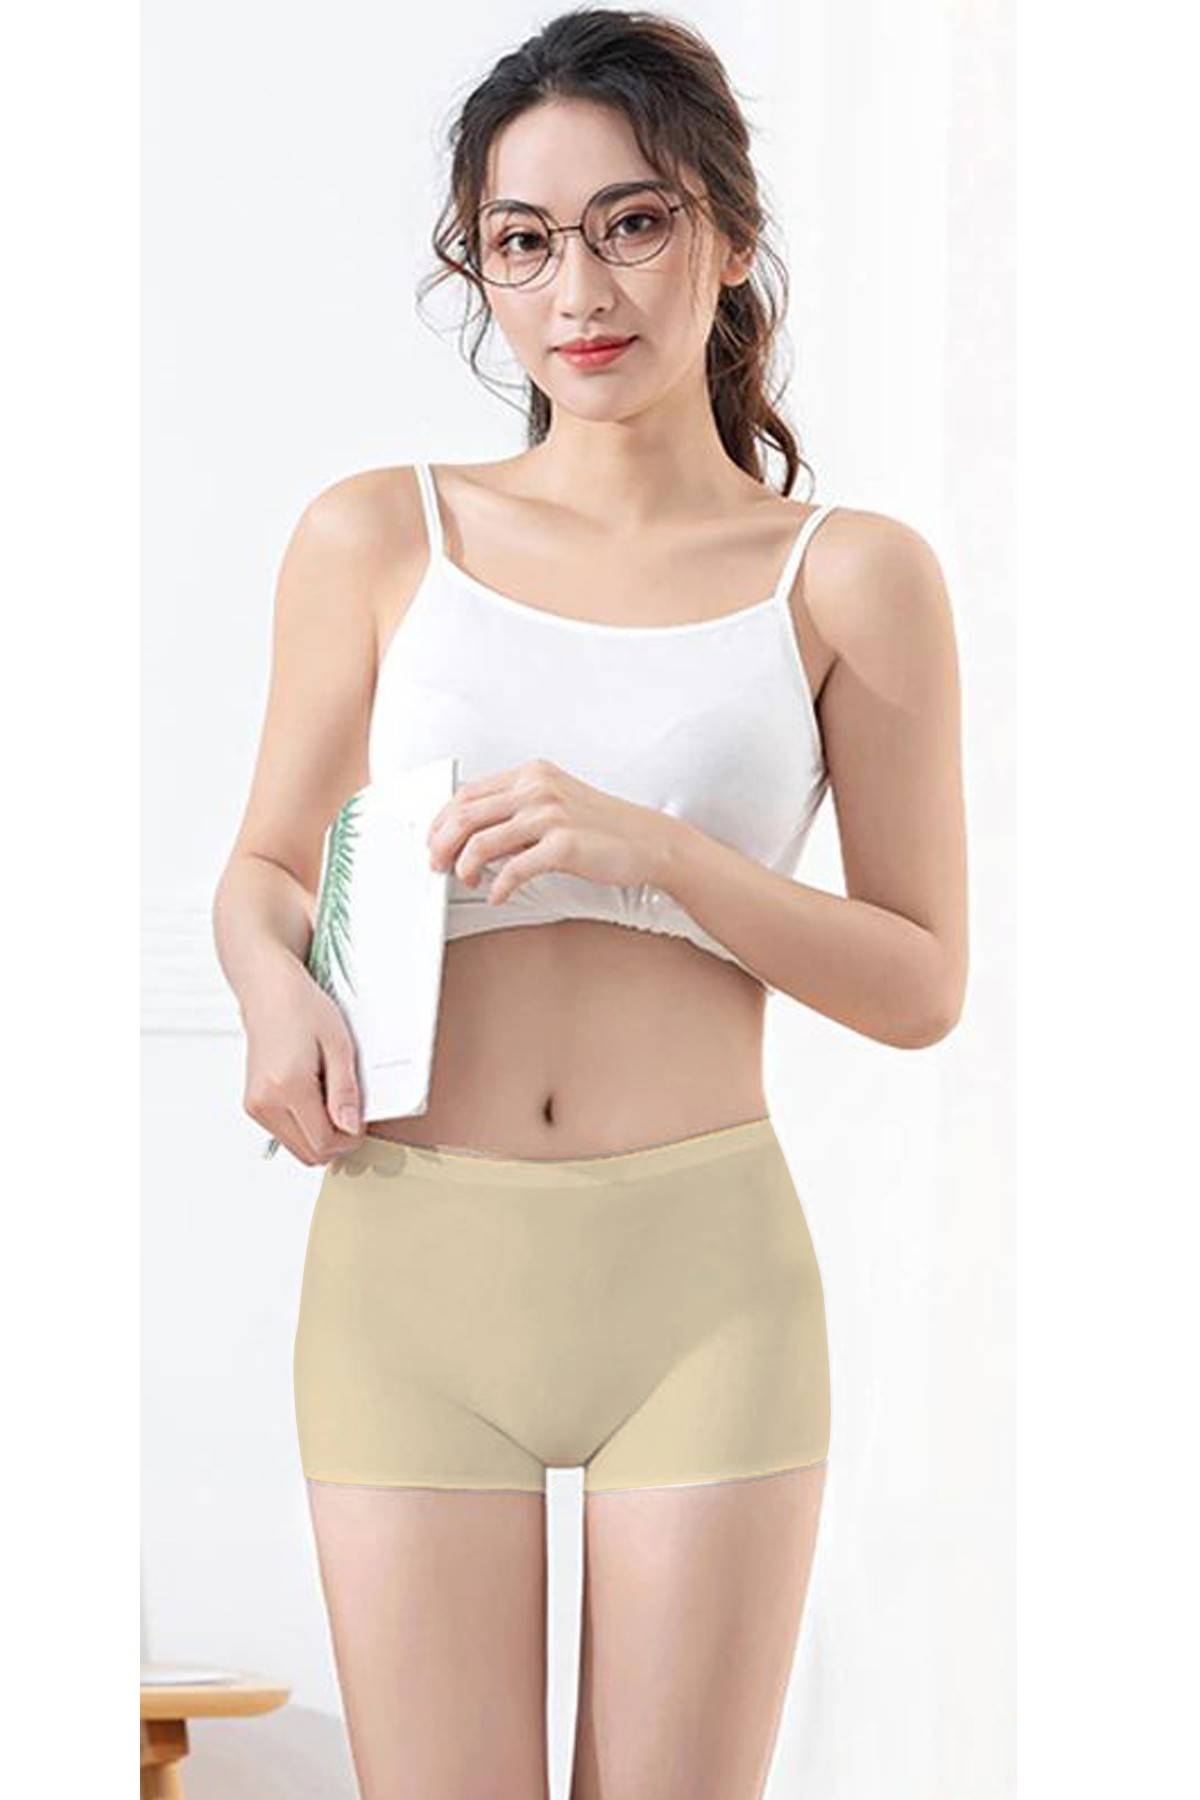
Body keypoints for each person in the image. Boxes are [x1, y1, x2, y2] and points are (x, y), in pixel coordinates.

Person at [212, 11, 967, 1798]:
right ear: (477, 265)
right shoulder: (376, 535)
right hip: (408, 1258)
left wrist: (662, 852)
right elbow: (263, 871)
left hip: (704, 1280)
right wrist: (271, 992)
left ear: (728, 229)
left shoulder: (848, 575)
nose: (580, 290)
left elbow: (922, 980)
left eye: (632, 223)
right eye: (524, 241)